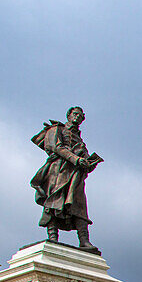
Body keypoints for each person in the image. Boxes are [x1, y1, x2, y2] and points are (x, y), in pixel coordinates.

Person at [31, 106, 102, 254]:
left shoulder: (80, 140)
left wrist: (89, 163)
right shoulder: (57, 129)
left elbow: (85, 161)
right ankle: (52, 237)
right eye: (75, 114)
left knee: (79, 205)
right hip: (57, 171)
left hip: (76, 175)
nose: (77, 117)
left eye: (80, 116)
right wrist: (76, 159)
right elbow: (56, 147)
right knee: (54, 201)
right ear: (69, 115)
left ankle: (84, 240)